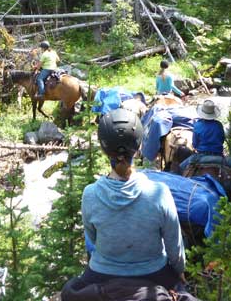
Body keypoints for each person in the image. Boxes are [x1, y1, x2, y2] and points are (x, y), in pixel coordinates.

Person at [63, 108, 187, 297]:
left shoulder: (90, 194)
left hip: (101, 273)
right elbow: (174, 247)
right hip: (154, 274)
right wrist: (179, 270)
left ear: (104, 150)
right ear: (138, 148)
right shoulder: (160, 192)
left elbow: (93, 239)